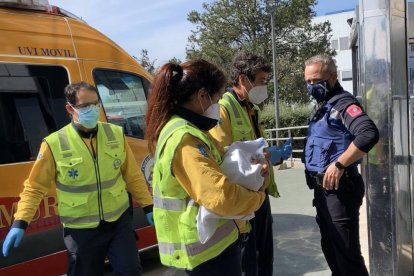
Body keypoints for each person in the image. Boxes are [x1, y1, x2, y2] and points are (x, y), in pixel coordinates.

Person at [2, 81, 154, 276]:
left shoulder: (115, 134)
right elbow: (35, 187)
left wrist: (148, 205)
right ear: (69, 108)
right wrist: (20, 221)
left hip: (119, 222)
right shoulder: (54, 144)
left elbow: (132, 175)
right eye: (84, 106)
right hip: (81, 230)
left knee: (130, 271)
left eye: (95, 104)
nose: (92, 110)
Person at [145, 59, 267, 276]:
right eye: (218, 99)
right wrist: (258, 195)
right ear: (202, 96)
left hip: (209, 244)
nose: (219, 106)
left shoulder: (186, 130)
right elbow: (221, 196)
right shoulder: (184, 138)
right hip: (206, 250)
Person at [208, 51, 291, 276]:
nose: (264, 87)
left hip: (259, 192)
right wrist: (260, 159)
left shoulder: (251, 109)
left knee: (264, 256)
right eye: (262, 82)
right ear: (243, 79)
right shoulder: (223, 109)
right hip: (242, 196)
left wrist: (272, 156)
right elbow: (222, 156)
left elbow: (254, 145)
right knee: (247, 261)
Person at [302, 54, 379, 276]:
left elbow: (368, 133)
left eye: (316, 80)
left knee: (347, 258)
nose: (312, 86)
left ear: (333, 77)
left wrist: (340, 164)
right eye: (308, 81)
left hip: (340, 192)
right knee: (332, 251)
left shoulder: (344, 104)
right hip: (323, 192)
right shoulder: (323, 106)